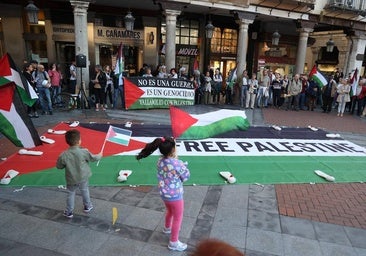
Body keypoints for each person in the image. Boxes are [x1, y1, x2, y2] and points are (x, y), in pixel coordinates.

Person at [136, 136, 190, 252]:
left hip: (164, 194)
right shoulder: (178, 163)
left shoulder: (160, 161)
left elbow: (168, 169)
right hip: (175, 195)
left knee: (170, 211)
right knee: (178, 217)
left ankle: (167, 228)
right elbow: (186, 177)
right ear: (173, 149)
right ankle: (174, 242)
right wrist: (182, 165)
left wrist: (176, 162)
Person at [56, 129, 102, 218]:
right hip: (83, 177)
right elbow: (93, 158)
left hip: (71, 179)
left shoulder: (63, 155)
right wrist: (100, 155)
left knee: (70, 193)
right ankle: (87, 206)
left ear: (67, 141)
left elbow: (59, 166)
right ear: (79, 141)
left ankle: (69, 211)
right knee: (85, 190)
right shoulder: (83, 151)